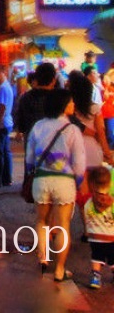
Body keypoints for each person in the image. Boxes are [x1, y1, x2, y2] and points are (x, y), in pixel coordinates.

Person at [26, 88, 86, 282]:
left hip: (41, 180)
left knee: (42, 221)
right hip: (64, 182)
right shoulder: (73, 130)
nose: (73, 105)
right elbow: (79, 163)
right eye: (70, 102)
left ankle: (43, 260)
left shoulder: (38, 126)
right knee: (63, 226)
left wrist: (31, 172)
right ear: (63, 105)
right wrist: (78, 182)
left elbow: (29, 158)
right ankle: (60, 270)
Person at [68, 70, 114, 239]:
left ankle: (88, 230)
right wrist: (107, 153)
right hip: (94, 152)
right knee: (98, 190)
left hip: (77, 153)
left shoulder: (70, 110)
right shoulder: (95, 108)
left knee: (83, 193)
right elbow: (101, 132)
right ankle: (100, 226)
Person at [14, 61, 57, 169]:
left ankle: (29, 184)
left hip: (31, 137)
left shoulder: (26, 97)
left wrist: (20, 131)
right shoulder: (57, 98)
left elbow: (21, 119)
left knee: (30, 168)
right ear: (53, 80)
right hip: (53, 140)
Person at [85, 165, 114, 290]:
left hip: (95, 237)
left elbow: (87, 218)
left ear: (92, 183)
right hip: (111, 237)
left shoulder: (89, 203)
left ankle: (96, 278)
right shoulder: (112, 203)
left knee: (96, 257)